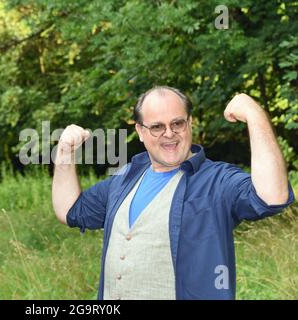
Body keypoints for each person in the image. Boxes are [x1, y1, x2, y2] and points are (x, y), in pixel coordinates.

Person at [51, 86, 295, 300]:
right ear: (140, 131)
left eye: (177, 123)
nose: (169, 134)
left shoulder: (217, 180)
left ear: (189, 123)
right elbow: (69, 210)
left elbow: (272, 196)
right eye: (157, 127)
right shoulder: (126, 177)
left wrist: (255, 115)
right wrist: (64, 153)